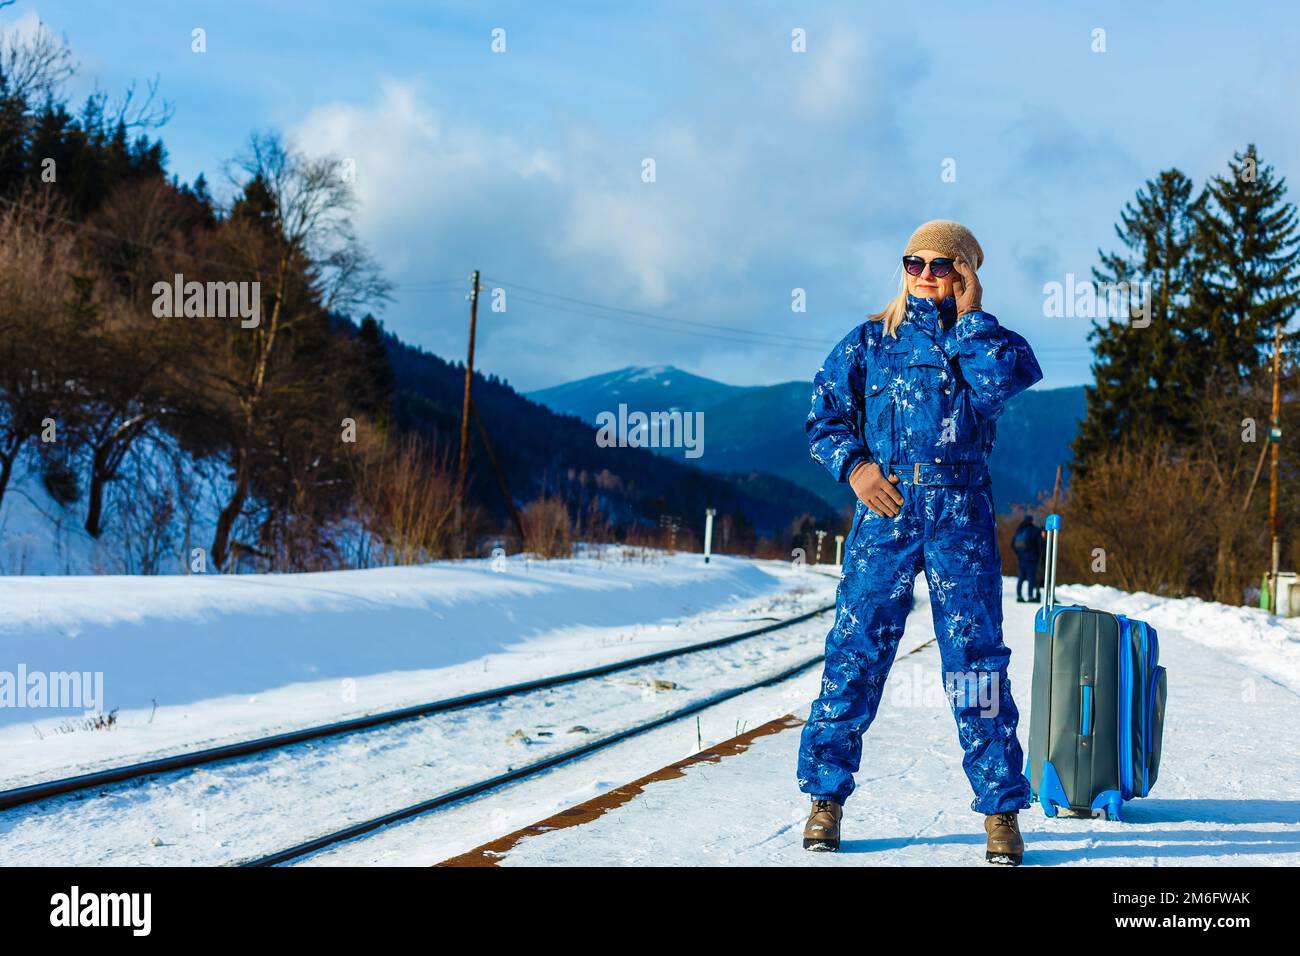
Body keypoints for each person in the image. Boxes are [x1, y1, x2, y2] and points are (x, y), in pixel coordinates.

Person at [797, 220, 1042, 866]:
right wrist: (856, 467)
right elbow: (821, 414)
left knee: (975, 665)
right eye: (915, 263)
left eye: (942, 265)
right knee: (855, 652)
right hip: (888, 510)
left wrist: (970, 316)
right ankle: (825, 799)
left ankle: (1000, 813)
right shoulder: (871, 342)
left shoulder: (983, 344)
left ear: (964, 273)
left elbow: (1003, 383)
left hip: (961, 515)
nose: (926, 275)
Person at [1012, 514, 1039, 603]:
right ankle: (1030, 597)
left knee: (1021, 577)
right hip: (1032, 558)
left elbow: (1012, 543)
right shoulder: (1034, 530)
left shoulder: (1019, 530)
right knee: (1031, 577)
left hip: (1021, 558)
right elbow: (1039, 544)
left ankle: (1019, 596)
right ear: (1031, 521)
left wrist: (1018, 553)